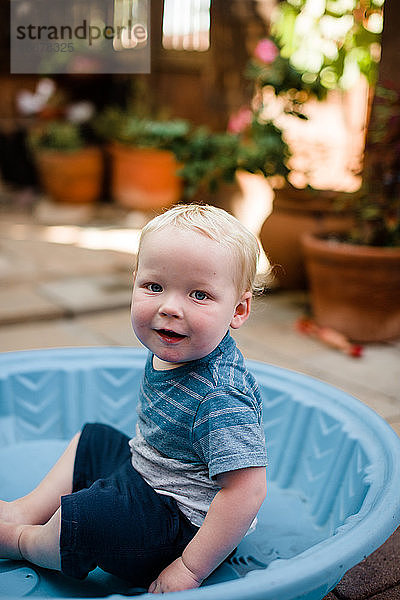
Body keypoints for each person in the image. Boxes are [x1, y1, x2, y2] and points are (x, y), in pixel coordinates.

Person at [0, 204, 268, 593]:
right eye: (154, 286)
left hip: (181, 526)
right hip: (152, 477)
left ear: (238, 309)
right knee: (92, 439)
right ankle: (28, 510)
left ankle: (23, 541)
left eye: (199, 294)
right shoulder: (177, 344)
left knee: (90, 517)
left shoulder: (221, 398)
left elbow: (247, 491)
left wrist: (189, 569)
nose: (170, 307)